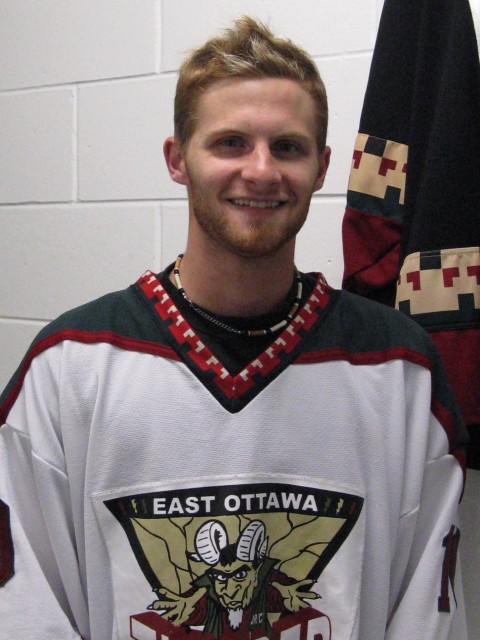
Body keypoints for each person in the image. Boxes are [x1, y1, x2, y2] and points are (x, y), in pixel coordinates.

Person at [0, 16, 468, 640]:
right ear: (178, 160)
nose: (261, 170)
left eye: (288, 147)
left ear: (322, 167)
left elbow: (426, 615)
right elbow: (25, 610)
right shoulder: (69, 366)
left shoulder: (400, 370)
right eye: (230, 143)